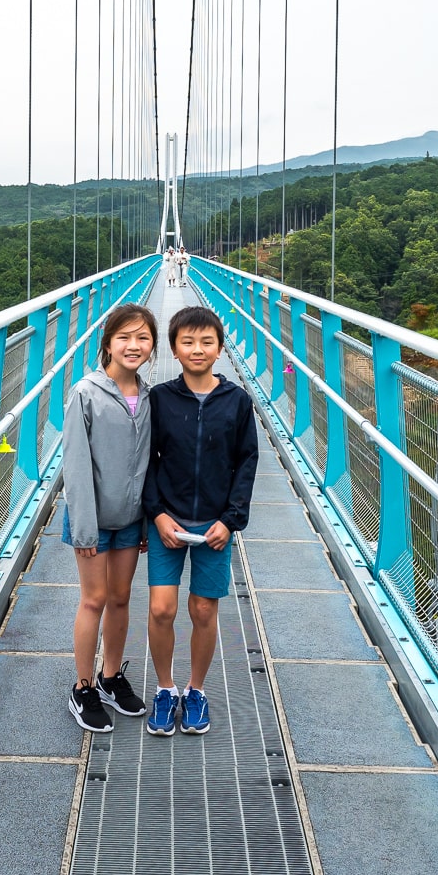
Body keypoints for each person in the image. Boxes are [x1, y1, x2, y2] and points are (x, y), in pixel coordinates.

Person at [142, 305, 258, 736]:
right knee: (161, 608)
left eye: (206, 342)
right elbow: (146, 462)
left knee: (204, 609)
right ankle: (166, 688)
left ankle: (196, 691)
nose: (197, 349)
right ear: (173, 348)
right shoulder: (160, 399)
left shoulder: (238, 401)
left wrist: (230, 521)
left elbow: (247, 462)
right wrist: (156, 514)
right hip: (167, 521)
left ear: (220, 348)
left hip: (214, 525)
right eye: (187, 342)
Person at [62, 302, 159, 733]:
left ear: (153, 346)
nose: (133, 346)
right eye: (124, 337)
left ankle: (110, 676)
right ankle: (82, 687)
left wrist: (144, 520)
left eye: (142, 338)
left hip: (131, 516)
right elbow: (76, 466)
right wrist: (83, 527)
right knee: (94, 599)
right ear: (107, 344)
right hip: (92, 519)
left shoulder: (151, 395)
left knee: (121, 598)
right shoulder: (85, 392)